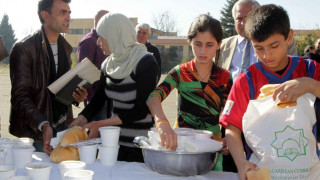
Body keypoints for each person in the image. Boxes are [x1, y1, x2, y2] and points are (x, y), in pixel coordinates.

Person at [219, 4, 320, 180]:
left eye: (274, 45)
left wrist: (311, 85)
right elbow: (232, 128)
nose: (267, 55)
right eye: (259, 48)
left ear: (289, 37)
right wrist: (241, 162)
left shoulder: (311, 70)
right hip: (262, 171)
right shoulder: (246, 81)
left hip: (309, 171)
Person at [147, 14, 232, 171]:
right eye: (197, 44)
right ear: (190, 42)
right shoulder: (180, 73)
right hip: (181, 147)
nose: (202, 51)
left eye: (209, 45)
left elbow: (229, 113)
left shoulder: (225, 77)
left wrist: (229, 137)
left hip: (212, 148)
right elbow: (153, 97)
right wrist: (162, 124)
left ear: (219, 44)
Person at [70, 13, 159, 162]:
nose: (98, 42)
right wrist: (78, 121)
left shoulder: (146, 62)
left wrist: (101, 124)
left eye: (102, 37)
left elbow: (141, 110)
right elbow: (98, 100)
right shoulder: (108, 64)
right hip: (113, 144)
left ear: (115, 35)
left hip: (140, 145)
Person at [9, 0, 87, 154]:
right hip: (36, 134)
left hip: (63, 127)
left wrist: (77, 96)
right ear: (45, 15)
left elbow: (59, 89)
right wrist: (42, 124)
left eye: (69, 13)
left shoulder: (65, 48)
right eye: (62, 13)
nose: (68, 18)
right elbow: (20, 96)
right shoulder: (24, 49)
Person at [215, 0, 297, 82]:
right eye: (239, 19)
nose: (243, 23)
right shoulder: (222, 45)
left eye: (248, 18)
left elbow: (293, 73)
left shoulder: (282, 41)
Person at [77, 9, 111, 120]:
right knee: (98, 131)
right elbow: (84, 71)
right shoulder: (88, 42)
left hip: (108, 93)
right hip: (95, 96)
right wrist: (91, 98)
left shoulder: (107, 40)